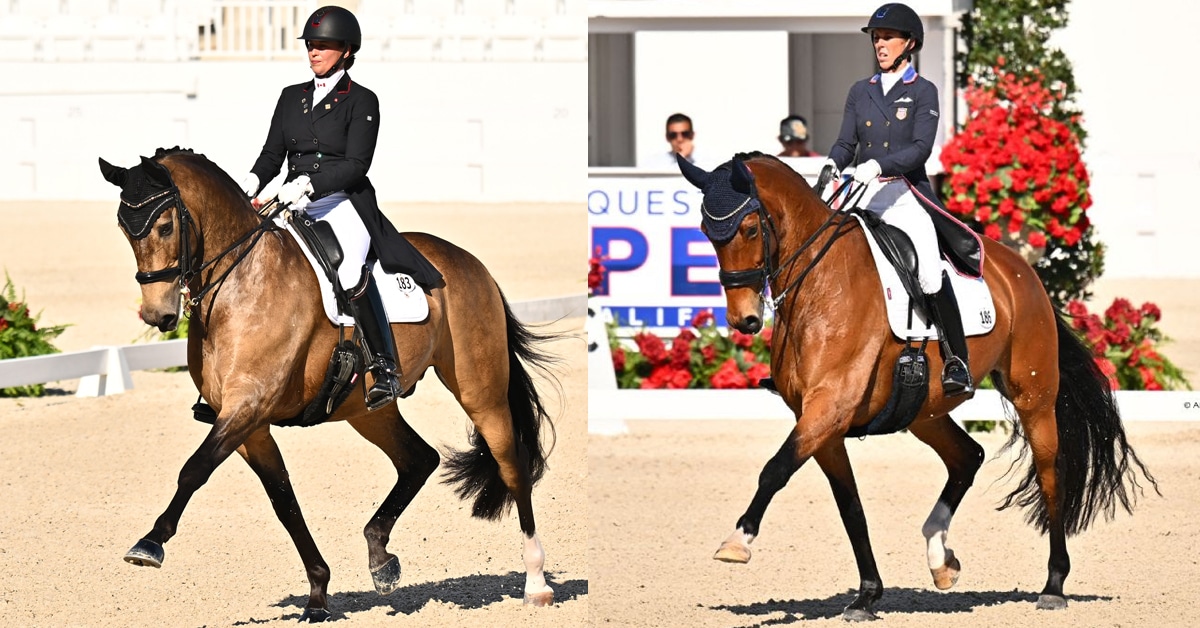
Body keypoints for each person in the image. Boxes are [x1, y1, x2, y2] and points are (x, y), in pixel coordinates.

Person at [239, 5, 441, 411]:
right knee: (250, 256)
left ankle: (384, 367)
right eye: (311, 45)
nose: (314, 52)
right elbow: (271, 154)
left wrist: (310, 185)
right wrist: (251, 183)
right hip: (291, 199)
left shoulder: (361, 100)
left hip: (342, 201)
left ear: (347, 51)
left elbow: (356, 165)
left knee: (348, 268)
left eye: (324, 45)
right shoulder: (290, 97)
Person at [820, 2, 980, 396]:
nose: (880, 44)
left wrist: (877, 165)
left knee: (928, 268)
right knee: (820, 251)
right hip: (863, 191)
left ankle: (956, 359)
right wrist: (831, 164)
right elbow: (845, 142)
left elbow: (921, 149)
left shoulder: (923, 91)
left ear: (910, 43)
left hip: (905, 193)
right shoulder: (861, 91)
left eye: (888, 37)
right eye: (876, 37)